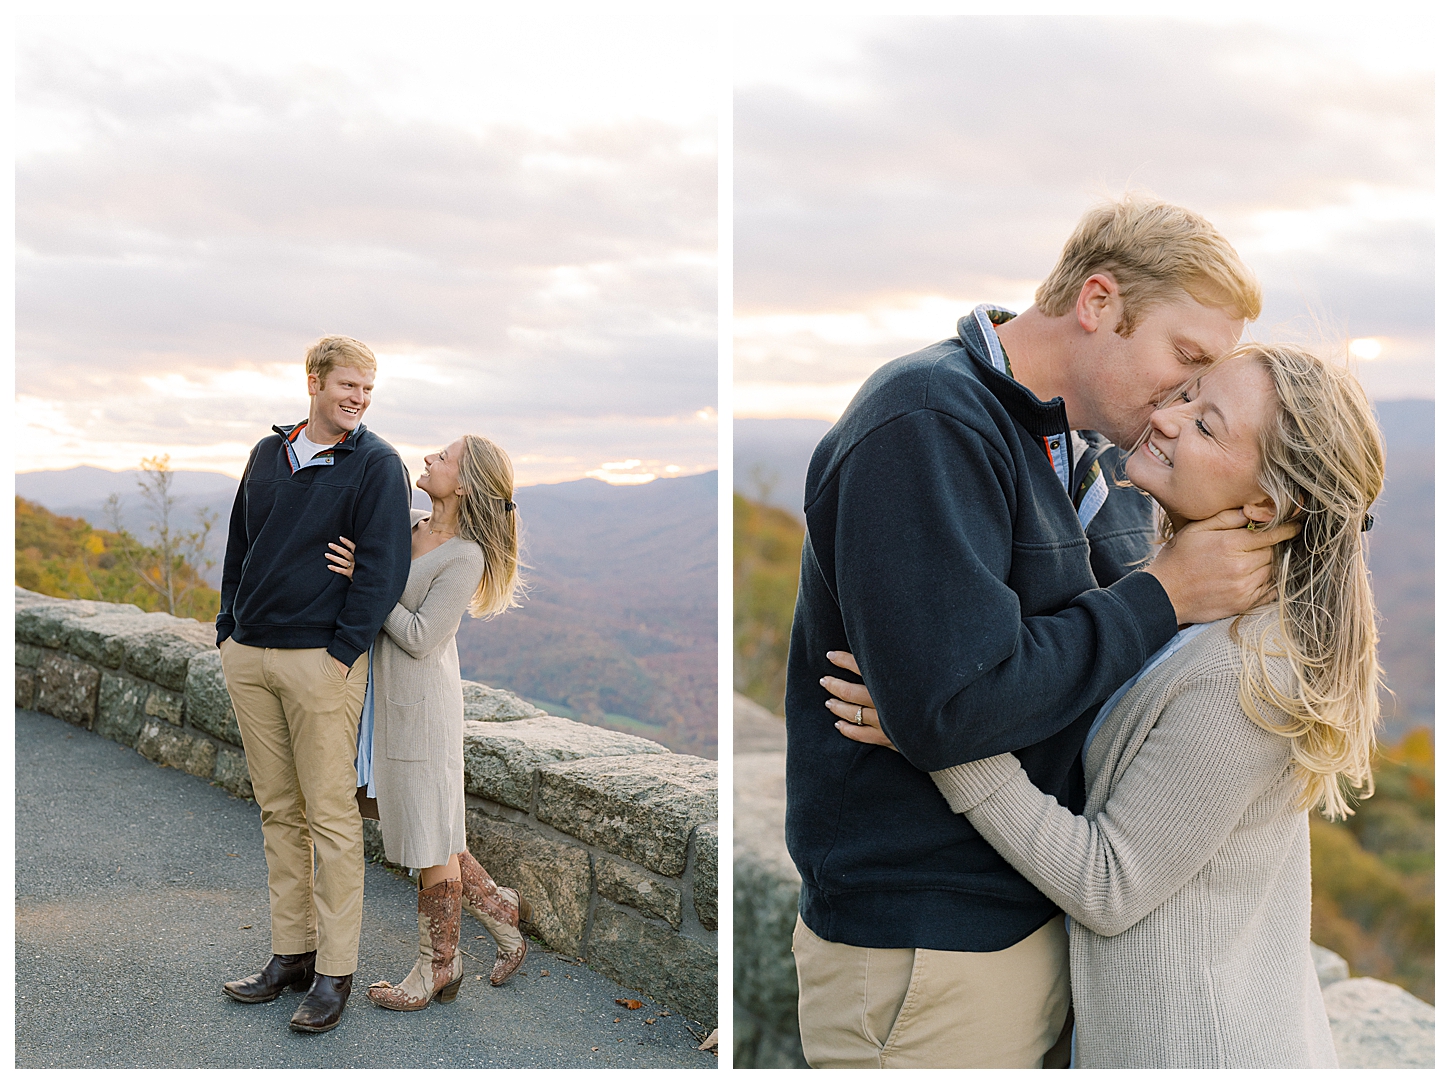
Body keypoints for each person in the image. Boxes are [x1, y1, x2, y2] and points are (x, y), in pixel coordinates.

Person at [782, 195, 1299, 1069]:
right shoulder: (931, 421)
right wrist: (1161, 597)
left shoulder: (1084, 454)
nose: (1183, 396)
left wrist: (943, 714)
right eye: (1186, 358)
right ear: (1098, 303)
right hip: (929, 945)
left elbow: (1060, 694)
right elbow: (955, 706)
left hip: (1028, 920)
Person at [826, 343, 1381, 1068]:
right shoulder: (1201, 610)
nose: (1169, 418)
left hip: (1194, 1050)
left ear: (1265, 505)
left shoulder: (1248, 670)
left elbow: (1109, 883)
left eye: (1207, 425)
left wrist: (941, 734)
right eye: (1188, 392)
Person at [217, 335, 414, 1033]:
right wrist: (226, 630)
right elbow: (240, 546)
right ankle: (290, 955)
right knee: (278, 812)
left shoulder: (378, 465)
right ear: (314, 380)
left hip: (320, 664)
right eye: (347, 386)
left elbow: (385, 569)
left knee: (331, 819)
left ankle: (334, 973)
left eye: (366, 389)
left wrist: (341, 653)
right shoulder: (268, 455)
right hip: (250, 657)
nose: (357, 399)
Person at [325, 433, 531, 1011]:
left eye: (442, 458)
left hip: (420, 709)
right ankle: (499, 908)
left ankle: (436, 968)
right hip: (376, 700)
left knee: (428, 836)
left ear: (464, 483)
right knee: (426, 823)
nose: (428, 460)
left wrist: (369, 581)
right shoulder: (410, 525)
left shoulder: (466, 556)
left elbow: (419, 637)